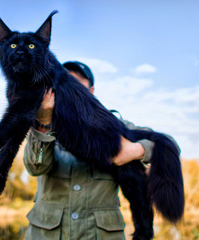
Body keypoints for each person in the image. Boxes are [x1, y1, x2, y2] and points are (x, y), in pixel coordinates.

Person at [23, 61, 157, 240]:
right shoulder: (44, 122)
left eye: (78, 83)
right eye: (65, 82)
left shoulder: (116, 126)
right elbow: (36, 167)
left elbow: (168, 146)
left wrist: (136, 150)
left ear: (91, 91)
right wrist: (43, 125)